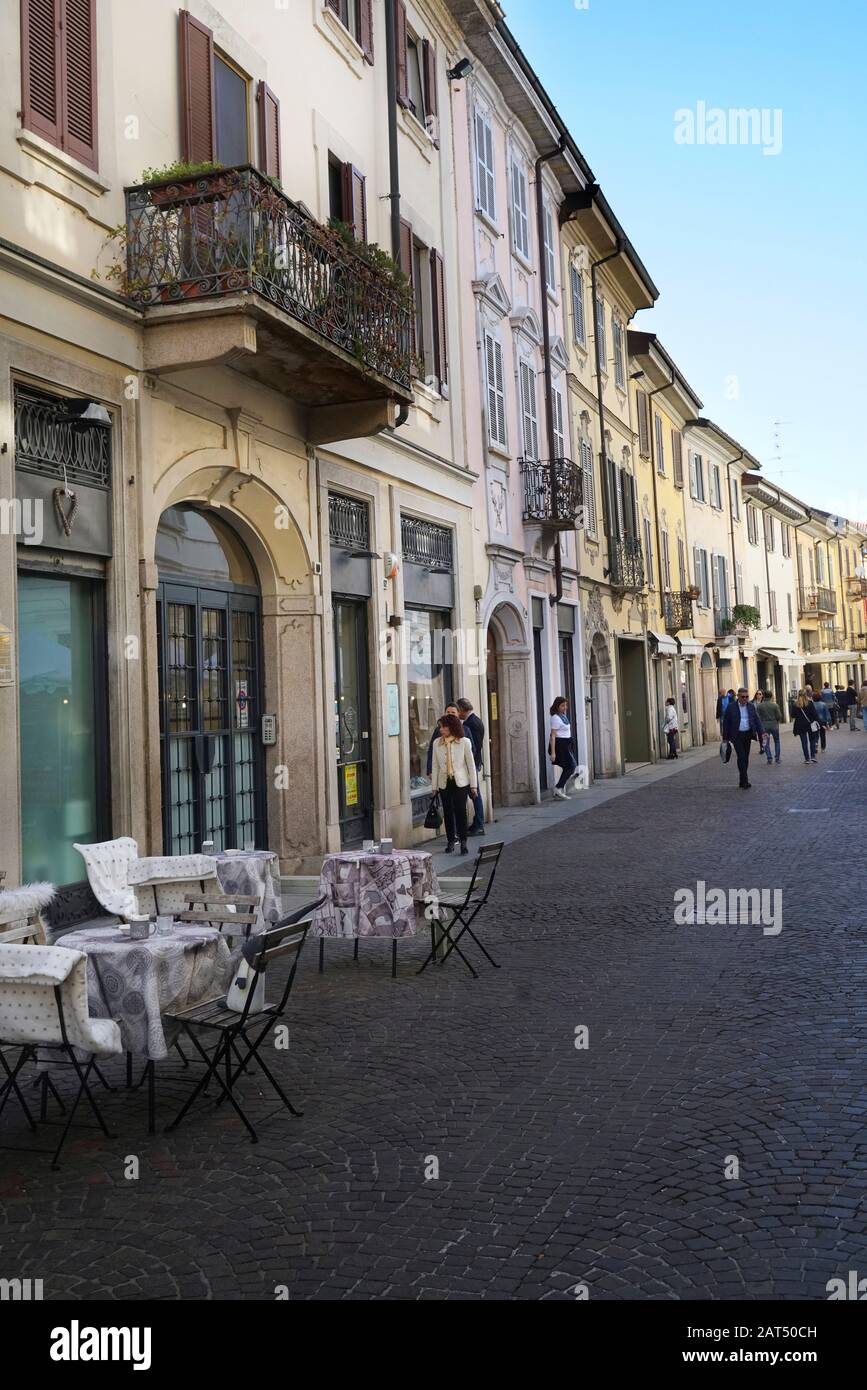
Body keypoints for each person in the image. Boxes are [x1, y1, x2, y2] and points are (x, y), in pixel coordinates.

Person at [430, 712, 477, 855]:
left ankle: (463, 842)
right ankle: (451, 841)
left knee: (460, 812)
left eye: (443, 727)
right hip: (444, 783)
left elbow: (471, 765)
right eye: (440, 727)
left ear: (451, 727)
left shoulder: (464, 742)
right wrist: (434, 787)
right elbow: (435, 766)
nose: (441, 730)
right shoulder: (437, 743)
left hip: (461, 783)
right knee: (448, 813)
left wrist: (473, 785)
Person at [721, 687, 766, 789]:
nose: (745, 699)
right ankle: (745, 781)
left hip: (748, 734)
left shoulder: (751, 706)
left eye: (747, 697)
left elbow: (757, 720)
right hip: (736, 735)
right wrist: (725, 738)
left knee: (745, 758)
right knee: (741, 756)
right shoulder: (731, 707)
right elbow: (726, 723)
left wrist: (762, 732)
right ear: (738, 696)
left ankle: (742, 780)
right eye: (743, 697)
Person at [456, 697, 486, 836]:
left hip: (471, 764)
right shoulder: (476, 720)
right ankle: (477, 823)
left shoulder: (470, 724)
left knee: (474, 794)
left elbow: (473, 747)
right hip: (474, 762)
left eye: (458, 709)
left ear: (462, 709)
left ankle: (479, 823)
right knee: (474, 794)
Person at [549, 696, 578, 800]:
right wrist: (553, 753)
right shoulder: (555, 718)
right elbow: (552, 736)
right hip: (560, 745)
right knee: (571, 766)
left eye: (566, 705)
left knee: (568, 767)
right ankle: (558, 788)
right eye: (562, 705)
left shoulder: (563, 716)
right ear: (557, 706)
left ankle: (558, 790)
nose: (565, 707)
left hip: (566, 744)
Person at [426, 703, 461, 779]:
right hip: (442, 772)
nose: (450, 714)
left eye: (453, 713)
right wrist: (430, 770)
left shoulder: (465, 730)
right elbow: (431, 751)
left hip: (459, 773)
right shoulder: (438, 730)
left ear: (458, 714)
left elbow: (471, 751)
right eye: (448, 712)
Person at [755, 689, 782, 765]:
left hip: (764, 726)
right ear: (771, 696)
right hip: (774, 725)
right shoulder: (775, 705)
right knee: (777, 741)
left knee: (766, 742)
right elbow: (779, 716)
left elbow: (757, 717)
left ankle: (769, 758)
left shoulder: (760, 706)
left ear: (763, 696)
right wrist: (777, 721)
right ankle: (777, 758)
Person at [792, 691, 819, 763]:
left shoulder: (795, 704)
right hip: (810, 724)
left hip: (800, 725)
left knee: (804, 742)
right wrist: (819, 722)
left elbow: (793, 715)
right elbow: (814, 714)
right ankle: (813, 756)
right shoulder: (810, 703)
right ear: (806, 695)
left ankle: (807, 758)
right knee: (812, 740)